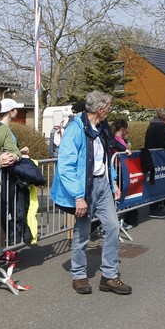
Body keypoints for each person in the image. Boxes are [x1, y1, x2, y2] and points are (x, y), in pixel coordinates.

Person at [50, 90, 132, 296]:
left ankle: (109, 276)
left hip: (103, 184)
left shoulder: (102, 128)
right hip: (84, 187)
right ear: (100, 109)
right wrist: (78, 196)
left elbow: (104, 156)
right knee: (82, 232)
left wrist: (113, 181)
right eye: (109, 107)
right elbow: (66, 166)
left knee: (113, 228)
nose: (110, 110)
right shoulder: (75, 129)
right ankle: (79, 275)